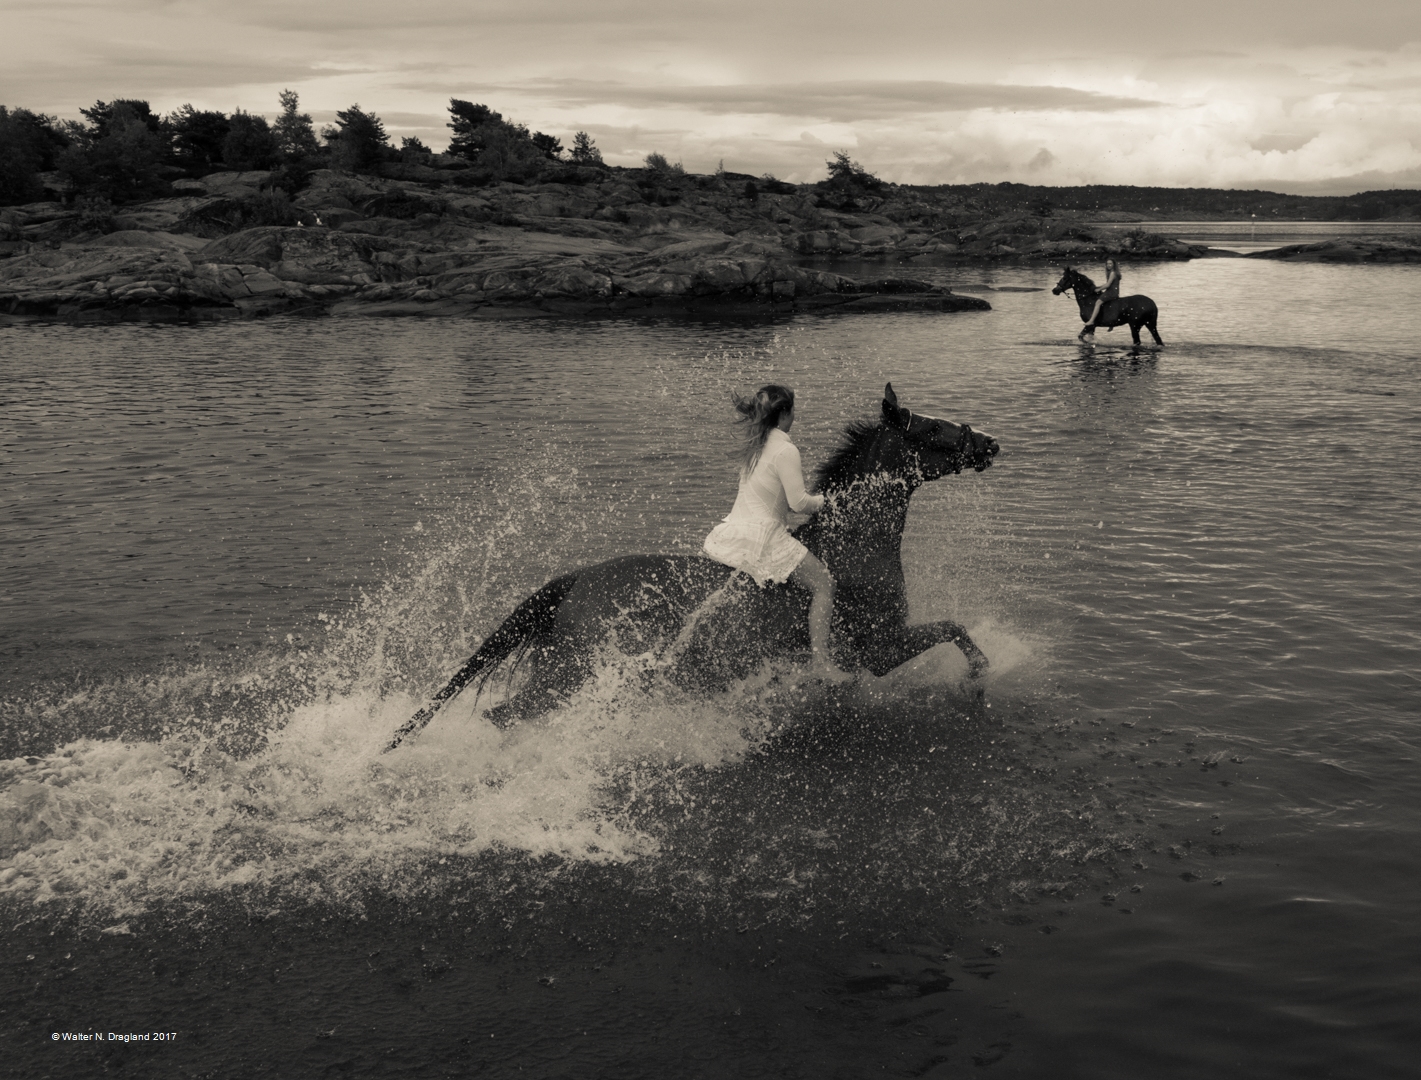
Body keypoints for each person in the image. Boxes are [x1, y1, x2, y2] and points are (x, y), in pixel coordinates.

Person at [703, 384, 852, 682]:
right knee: (824, 584)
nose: (794, 417)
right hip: (765, 538)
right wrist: (828, 501)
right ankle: (821, 663)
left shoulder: (756, 443)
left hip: (732, 530)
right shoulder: (785, 449)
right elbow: (799, 503)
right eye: (793, 411)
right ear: (784, 414)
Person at [1079, 256, 1122, 340]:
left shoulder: (1112, 273)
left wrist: (1098, 289)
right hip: (1112, 292)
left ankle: (1091, 320)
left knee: (1098, 302)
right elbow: (1108, 285)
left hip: (1111, 292)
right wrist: (1099, 287)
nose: (1109, 265)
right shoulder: (1113, 272)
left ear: (1114, 264)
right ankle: (1111, 324)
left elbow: (1108, 285)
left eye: (1110, 263)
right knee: (1107, 305)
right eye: (1107, 264)